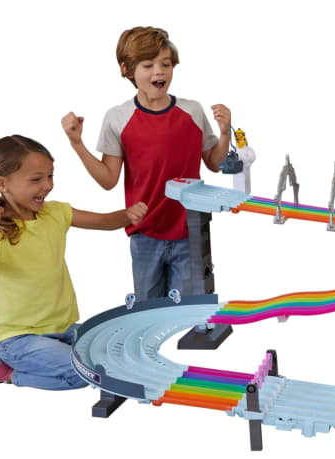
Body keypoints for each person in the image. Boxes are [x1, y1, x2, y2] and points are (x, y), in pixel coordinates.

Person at [0, 135, 147, 390]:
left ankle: (54, 357)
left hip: (64, 329)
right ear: (0, 183)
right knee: (86, 374)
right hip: (17, 338)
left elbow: (103, 222)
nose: (48, 185)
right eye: (36, 179)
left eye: (50, 176)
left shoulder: (54, 213)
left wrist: (127, 214)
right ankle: (8, 373)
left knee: (116, 355)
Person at [61, 26, 231, 300]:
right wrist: (77, 143)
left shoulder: (192, 111)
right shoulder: (118, 117)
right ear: (127, 69)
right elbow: (108, 180)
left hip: (189, 233)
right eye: (148, 65)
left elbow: (214, 162)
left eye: (166, 64)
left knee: (185, 313)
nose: (159, 72)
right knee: (148, 314)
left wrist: (224, 134)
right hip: (144, 235)